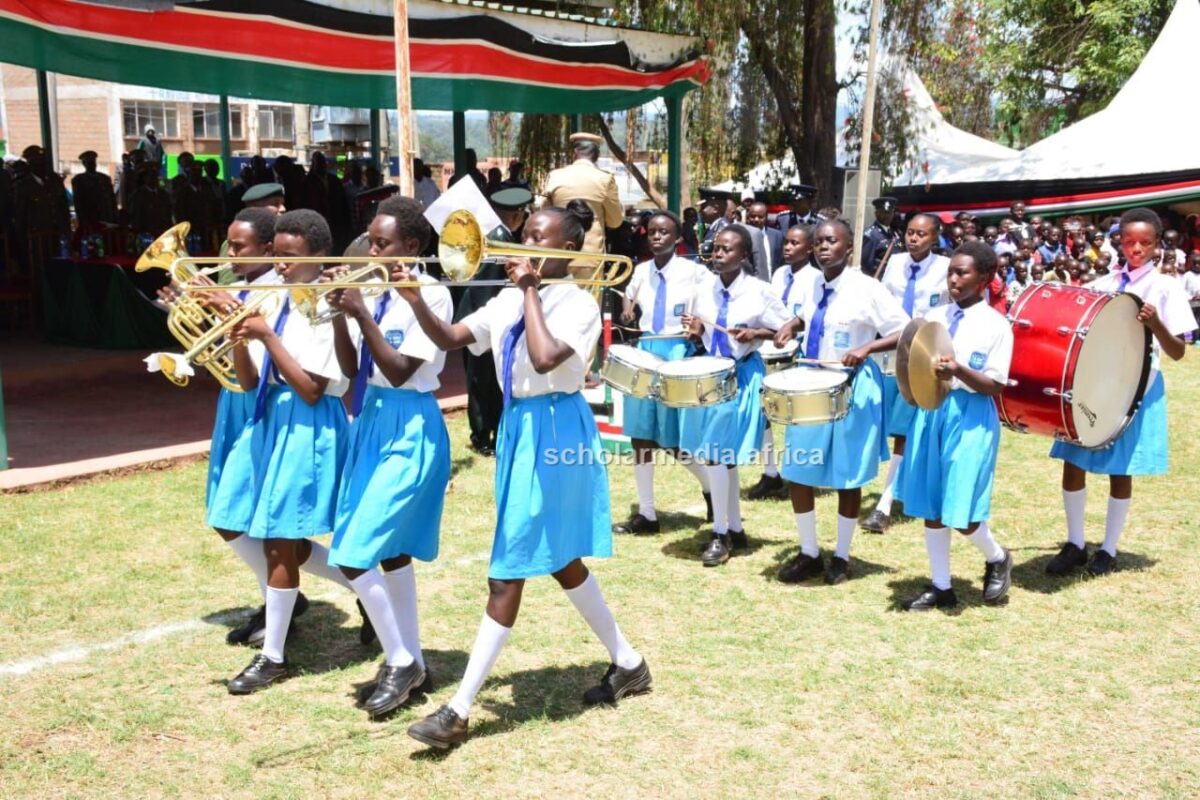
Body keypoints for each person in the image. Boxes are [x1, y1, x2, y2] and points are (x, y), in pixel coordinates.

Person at [400, 201, 651, 750]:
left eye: (539, 238)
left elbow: (542, 358)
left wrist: (532, 291)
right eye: (524, 233)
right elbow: (449, 338)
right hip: (519, 428)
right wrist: (415, 298)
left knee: (507, 569)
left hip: (557, 428)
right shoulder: (509, 297)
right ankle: (629, 663)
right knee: (561, 560)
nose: (523, 245)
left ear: (566, 250)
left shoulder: (578, 304)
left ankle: (459, 709)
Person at [221, 210, 366, 694]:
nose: (280, 265)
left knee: (282, 541)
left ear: (317, 258)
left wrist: (265, 335)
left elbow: (311, 388)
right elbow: (246, 381)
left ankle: (274, 656)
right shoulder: (272, 297)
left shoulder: (326, 309)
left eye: (290, 257)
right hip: (271, 416)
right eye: (277, 256)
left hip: (310, 422)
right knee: (278, 538)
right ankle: (367, 591)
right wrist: (238, 337)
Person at [324, 196, 452, 717]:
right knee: (391, 553)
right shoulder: (372, 293)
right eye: (370, 241)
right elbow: (353, 365)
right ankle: (413, 657)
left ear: (413, 247)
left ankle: (400, 661)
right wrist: (337, 313)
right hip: (372, 419)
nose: (371, 250)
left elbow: (400, 369)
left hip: (412, 421)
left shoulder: (433, 296)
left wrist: (360, 310)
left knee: (353, 552)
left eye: (382, 243)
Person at [178, 208, 312, 647]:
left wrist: (228, 308)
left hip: (261, 403)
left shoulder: (279, 288)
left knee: (258, 521)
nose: (229, 254)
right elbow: (223, 349)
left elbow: (274, 345)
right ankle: (281, 601)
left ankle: (287, 604)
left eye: (239, 247)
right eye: (229, 245)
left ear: (269, 249)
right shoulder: (241, 286)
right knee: (237, 515)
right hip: (236, 397)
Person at [1047, 208, 1196, 577]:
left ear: (1158, 245)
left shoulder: (1165, 287)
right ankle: (1076, 543)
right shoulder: (1104, 283)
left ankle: (1109, 549)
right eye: (1129, 241)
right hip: (1094, 381)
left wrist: (1155, 322)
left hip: (1136, 387)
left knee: (1121, 469)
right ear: (1119, 241)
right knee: (1073, 460)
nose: (1136, 248)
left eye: (1145, 242)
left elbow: (1178, 351)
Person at [772, 219, 907, 585]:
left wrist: (867, 347)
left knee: (848, 475)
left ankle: (842, 557)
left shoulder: (868, 289)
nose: (822, 247)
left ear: (849, 248)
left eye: (832, 241)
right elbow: (812, 316)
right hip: (810, 386)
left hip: (852, 388)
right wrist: (793, 325)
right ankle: (809, 552)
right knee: (798, 469)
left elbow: (904, 330)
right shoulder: (811, 283)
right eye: (818, 242)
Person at [896, 241, 1014, 611]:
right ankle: (941, 585)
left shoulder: (996, 326)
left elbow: (994, 385)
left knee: (960, 509)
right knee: (932, 503)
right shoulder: (937, 318)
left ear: (985, 279)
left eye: (963, 273)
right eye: (951, 271)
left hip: (970, 415)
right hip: (932, 410)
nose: (954, 279)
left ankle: (997, 557)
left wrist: (958, 369)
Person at [678, 224, 790, 567]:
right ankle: (735, 528)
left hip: (740, 374)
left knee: (717, 454)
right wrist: (695, 333)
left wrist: (757, 332)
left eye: (728, 249)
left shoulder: (759, 291)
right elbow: (700, 333)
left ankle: (720, 534)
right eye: (716, 248)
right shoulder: (704, 287)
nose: (719, 254)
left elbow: (787, 329)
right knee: (718, 453)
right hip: (709, 372)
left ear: (743, 256)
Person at [614, 211, 714, 534]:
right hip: (647, 350)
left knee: (673, 439)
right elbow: (629, 299)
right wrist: (628, 312)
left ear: (678, 238)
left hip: (676, 351)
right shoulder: (641, 271)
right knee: (640, 435)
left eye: (664, 232)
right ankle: (647, 514)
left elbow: (712, 306)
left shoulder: (694, 272)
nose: (657, 237)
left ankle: (712, 489)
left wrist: (699, 325)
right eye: (652, 232)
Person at [863, 213, 949, 533]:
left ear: (935, 237)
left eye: (921, 234)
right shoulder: (894, 264)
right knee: (880, 422)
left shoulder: (944, 269)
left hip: (923, 356)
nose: (914, 239)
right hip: (888, 354)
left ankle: (885, 503)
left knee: (905, 430)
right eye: (910, 233)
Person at [456, 187, 531, 455]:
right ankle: (482, 435)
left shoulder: (491, 234)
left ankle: (487, 431)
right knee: (482, 381)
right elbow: (486, 287)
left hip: (479, 314)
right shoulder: (499, 239)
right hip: (482, 315)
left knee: (484, 381)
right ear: (516, 214)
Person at [748, 223, 816, 500]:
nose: (787, 248)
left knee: (793, 417)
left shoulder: (815, 278)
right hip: (771, 347)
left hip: (798, 353)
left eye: (794, 244)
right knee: (765, 413)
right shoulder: (779, 274)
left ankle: (797, 473)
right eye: (785, 242)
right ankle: (770, 472)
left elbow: (807, 322)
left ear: (809, 248)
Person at [538, 133, 624, 255]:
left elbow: (544, 213)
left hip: (558, 255)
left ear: (575, 153)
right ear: (596, 155)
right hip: (590, 257)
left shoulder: (554, 176)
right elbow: (615, 221)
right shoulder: (605, 179)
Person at [71, 150, 117, 230]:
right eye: (89, 163)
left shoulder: (105, 178)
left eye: (93, 162)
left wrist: (114, 216)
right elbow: (78, 201)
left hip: (106, 216)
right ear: (84, 165)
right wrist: (82, 219)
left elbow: (112, 199)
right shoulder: (79, 180)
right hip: (90, 218)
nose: (92, 165)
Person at [862, 196, 902, 274]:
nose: (887, 216)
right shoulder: (871, 235)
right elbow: (866, 264)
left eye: (890, 212)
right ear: (876, 214)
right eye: (884, 212)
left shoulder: (894, 234)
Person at [746, 201, 784, 275]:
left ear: (766, 217)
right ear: (748, 217)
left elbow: (781, 260)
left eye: (760, 217)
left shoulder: (777, 235)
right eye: (753, 216)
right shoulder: (742, 235)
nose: (756, 219)